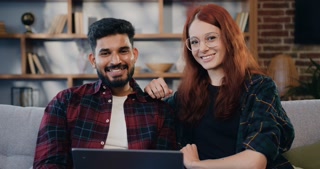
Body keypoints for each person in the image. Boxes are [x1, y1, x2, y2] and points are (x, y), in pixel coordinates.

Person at [144, 4, 295, 169]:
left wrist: (196, 165)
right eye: (195, 41)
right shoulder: (187, 94)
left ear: (229, 38)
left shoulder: (260, 87)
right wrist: (150, 93)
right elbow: (150, 120)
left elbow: (255, 162)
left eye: (211, 38)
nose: (202, 48)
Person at [33, 18, 176, 168]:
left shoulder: (159, 110)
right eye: (105, 53)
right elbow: (47, 164)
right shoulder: (66, 101)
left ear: (134, 55)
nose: (115, 61)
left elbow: (165, 166)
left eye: (123, 51)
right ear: (93, 60)